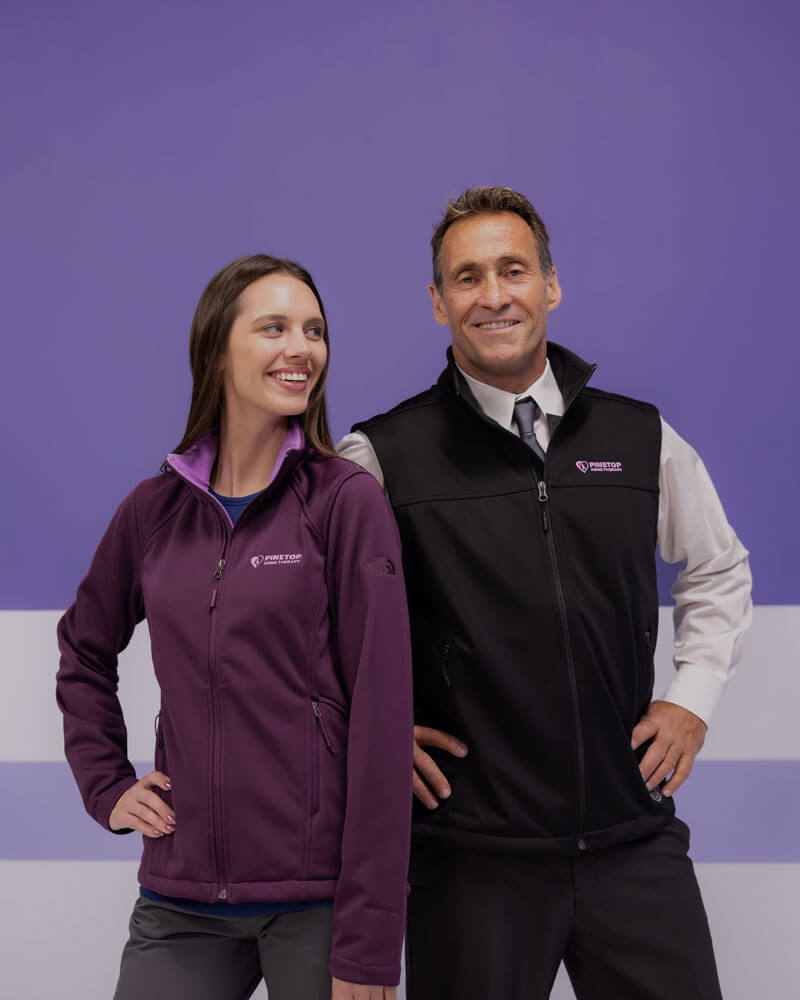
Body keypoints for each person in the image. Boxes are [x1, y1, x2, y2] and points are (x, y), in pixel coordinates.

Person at [338, 187, 752, 999]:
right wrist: (368, 727)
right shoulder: (382, 456)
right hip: (471, 863)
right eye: (467, 277)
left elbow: (719, 568)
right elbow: (305, 620)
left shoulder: (640, 437)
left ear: (551, 285)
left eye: (513, 270)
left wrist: (691, 699)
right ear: (438, 302)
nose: (493, 295)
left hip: (633, 842)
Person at [56, 254, 413, 1000]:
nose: (301, 348)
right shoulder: (154, 511)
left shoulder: (344, 502)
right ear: (218, 349)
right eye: (274, 328)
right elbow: (84, 649)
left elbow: (383, 722)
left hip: (319, 901)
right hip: (181, 895)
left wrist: (371, 938)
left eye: (314, 330)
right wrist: (106, 784)